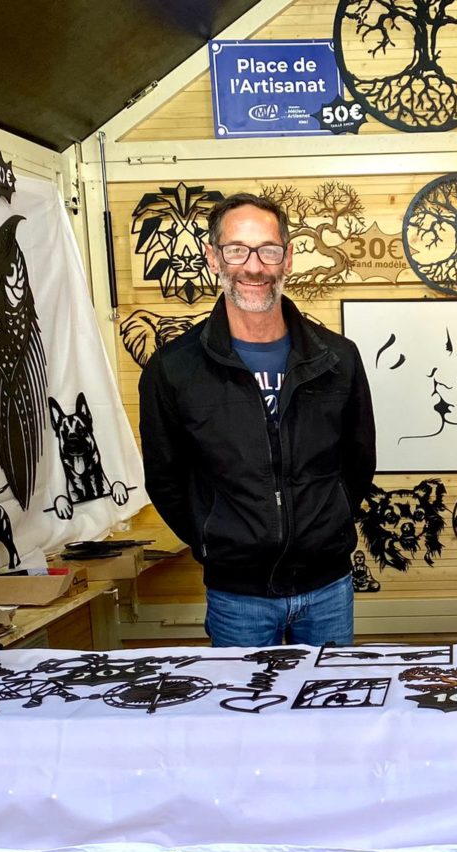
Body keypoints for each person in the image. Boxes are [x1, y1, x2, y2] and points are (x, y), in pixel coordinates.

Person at [140, 192, 375, 647]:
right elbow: (165, 478)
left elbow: (359, 459)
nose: (253, 266)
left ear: (286, 259)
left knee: (330, 713)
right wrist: (216, 540)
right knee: (242, 716)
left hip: (327, 588)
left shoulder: (338, 358)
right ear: (213, 258)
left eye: (268, 250)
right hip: (237, 596)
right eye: (236, 250)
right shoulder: (173, 369)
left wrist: (330, 521)